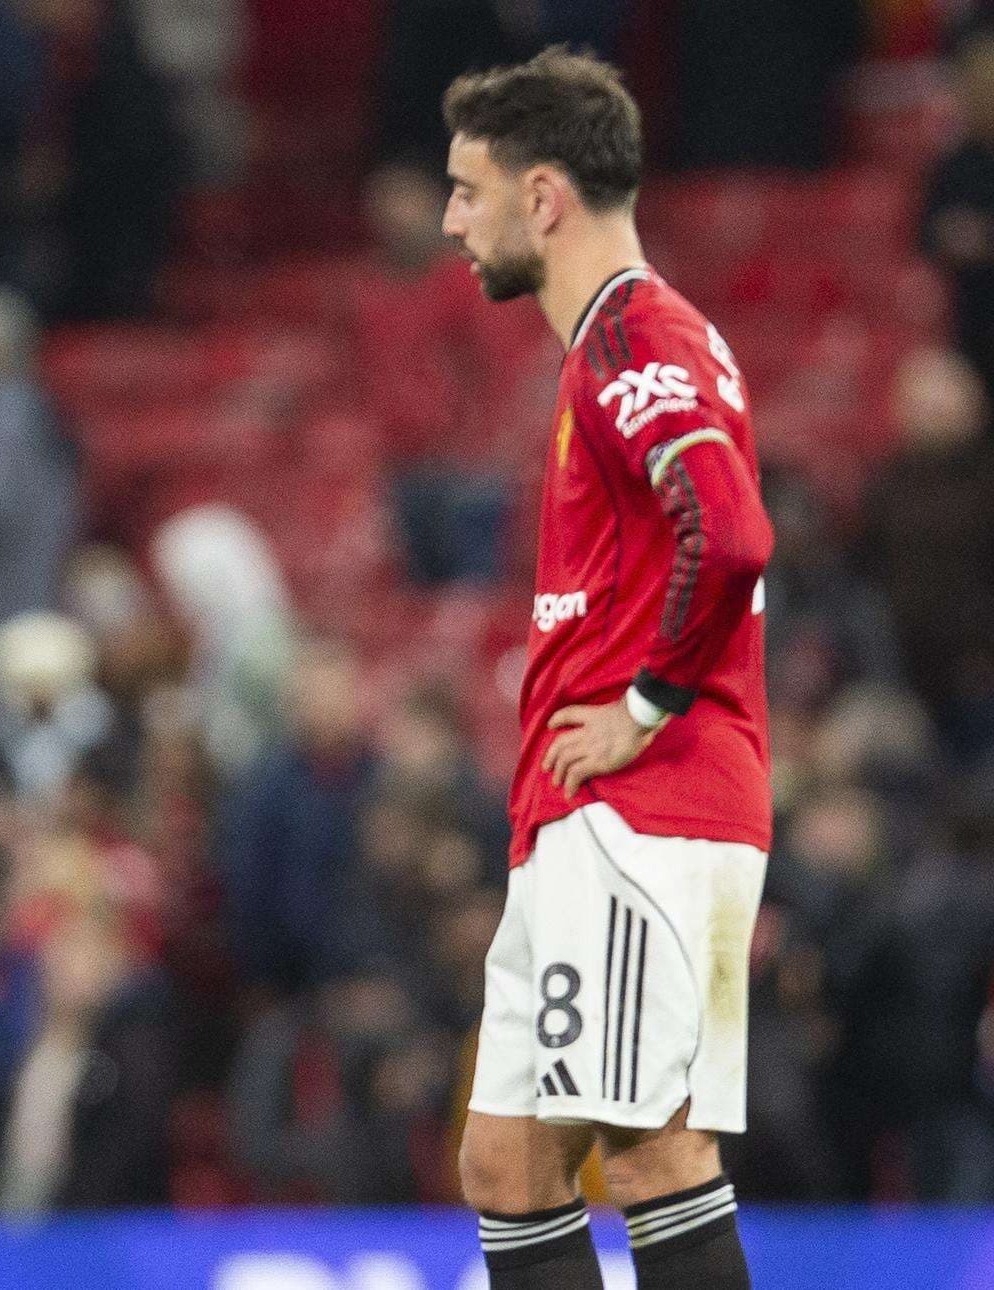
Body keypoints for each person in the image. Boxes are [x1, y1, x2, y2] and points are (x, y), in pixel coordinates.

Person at [440, 49, 773, 1289]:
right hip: (584, 822)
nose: (449, 221)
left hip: (649, 812)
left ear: (542, 197)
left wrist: (645, 706)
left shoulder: (637, 331)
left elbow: (731, 528)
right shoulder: (618, 340)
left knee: (648, 1148)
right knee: (508, 1166)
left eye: (468, 190)